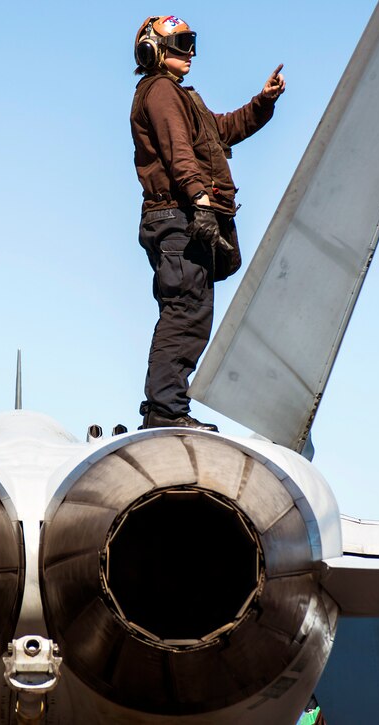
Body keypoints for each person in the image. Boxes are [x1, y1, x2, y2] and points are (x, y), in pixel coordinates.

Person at [131, 15, 285, 430]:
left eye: (192, 41)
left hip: (181, 217)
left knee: (190, 311)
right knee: (185, 311)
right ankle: (165, 412)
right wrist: (200, 200)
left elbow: (222, 131)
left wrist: (262, 102)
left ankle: (165, 408)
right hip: (177, 217)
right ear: (154, 50)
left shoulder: (181, 98)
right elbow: (179, 151)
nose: (191, 52)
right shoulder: (161, 92)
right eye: (181, 43)